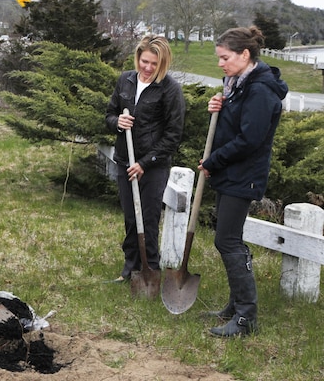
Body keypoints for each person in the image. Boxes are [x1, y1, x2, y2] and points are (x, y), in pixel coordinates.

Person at [200, 26, 288, 337]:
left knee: (228, 240)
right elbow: (235, 122)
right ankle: (236, 305)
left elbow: (250, 139)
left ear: (245, 54)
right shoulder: (237, 83)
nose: (220, 64)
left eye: (225, 58)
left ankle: (246, 318)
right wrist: (219, 106)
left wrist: (213, 161)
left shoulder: (260, 90)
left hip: (244, 176)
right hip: (231, 173)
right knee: (226, 239)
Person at [105, 35, 185, 283]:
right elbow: (109, 114)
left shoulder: (170, 89)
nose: (148, 68)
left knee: (148, 218)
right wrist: (117, 122)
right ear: (138, 57)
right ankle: (130, 268)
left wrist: (145, 163)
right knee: (131, 217)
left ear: (163, 64)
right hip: (124, 160)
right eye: (145, 61)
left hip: (153, 166)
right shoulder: (125, 80)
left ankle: (151, 270)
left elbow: (173, 134)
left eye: (154, 64)